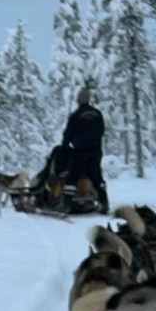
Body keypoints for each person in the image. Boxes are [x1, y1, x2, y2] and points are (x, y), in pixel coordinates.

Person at [56, 85, 109, 214]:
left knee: (72, 177)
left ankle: (67, 204)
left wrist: (64, 147)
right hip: (96, 151)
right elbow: (102, 130)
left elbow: (68, 133)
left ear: (79, 100)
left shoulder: (76, 115)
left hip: (80, 151)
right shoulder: (98, 114)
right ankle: (104, 203)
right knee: (97, 177)